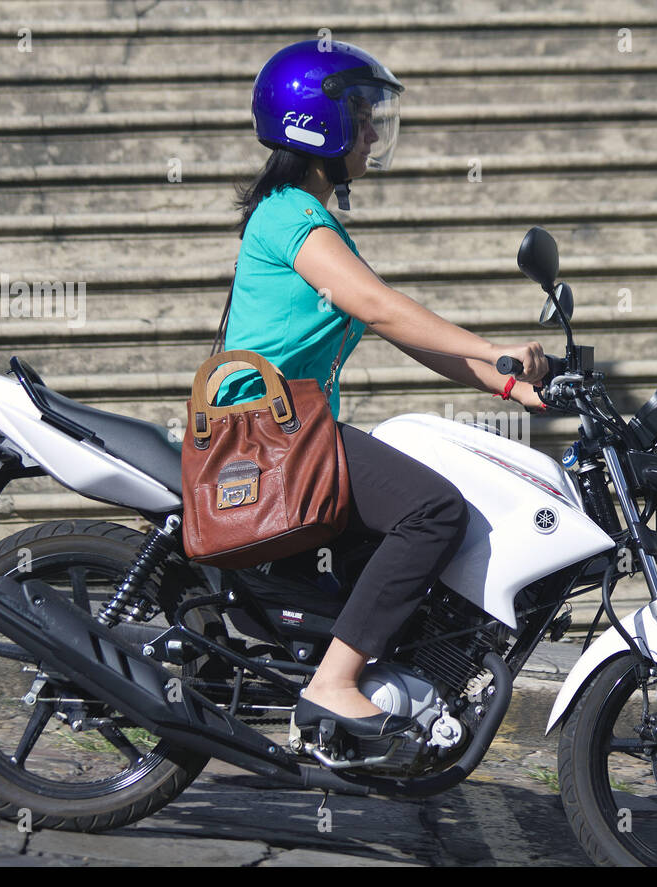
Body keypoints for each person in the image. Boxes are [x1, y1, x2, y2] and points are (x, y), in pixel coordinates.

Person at [220, 39, 549, 739]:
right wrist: (494, 351)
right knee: (431, 511)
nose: (373, 132)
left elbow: (402, 331)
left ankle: (376, 675)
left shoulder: (303, 217)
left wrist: (504, 385)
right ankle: (335, 683)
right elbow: (381, 308)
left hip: (289, 430)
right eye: (363, 116)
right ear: (320, 123)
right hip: (267, 434)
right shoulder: (291, 218)